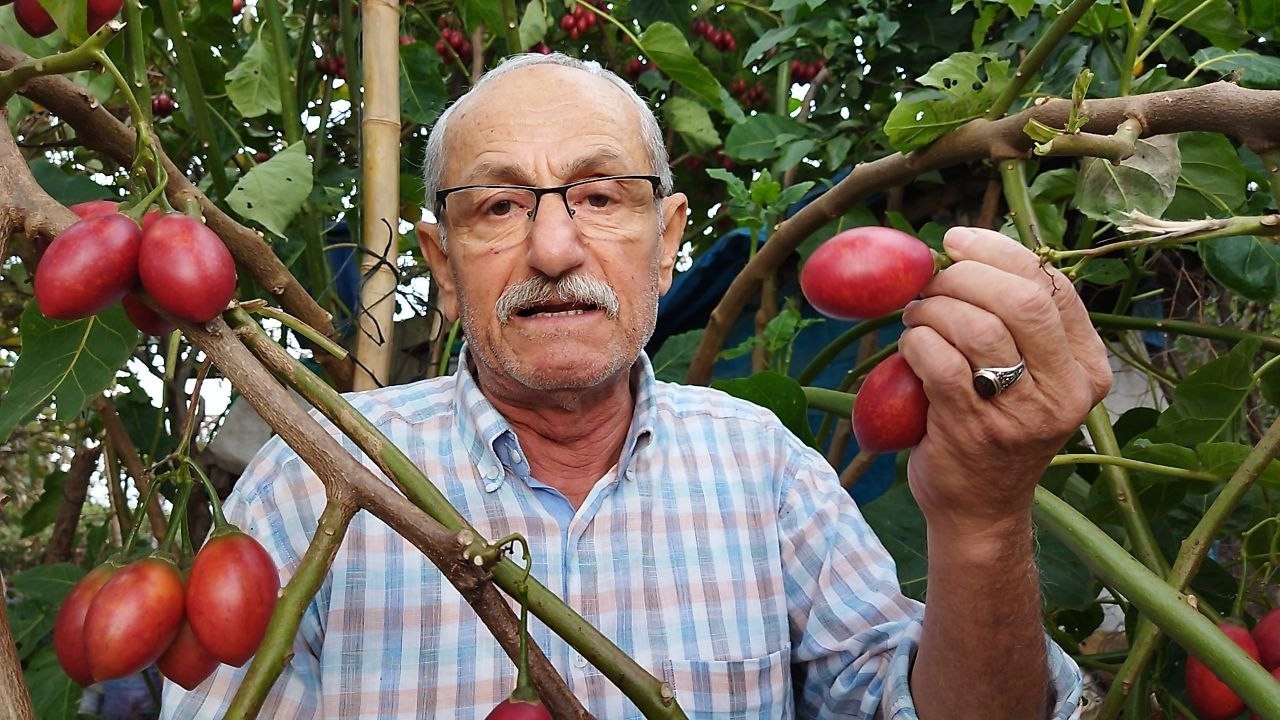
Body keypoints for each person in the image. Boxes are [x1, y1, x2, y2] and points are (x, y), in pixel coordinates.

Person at [162, 53, 1111, 719]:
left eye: (600, 196)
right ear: (442, 267)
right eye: (497, 206)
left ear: (667, 245)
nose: (554, 246)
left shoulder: (763, 467)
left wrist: (984, 521)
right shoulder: (309, 475)